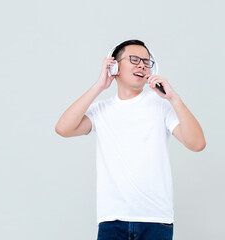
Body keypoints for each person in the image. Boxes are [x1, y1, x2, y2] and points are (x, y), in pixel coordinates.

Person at [55, 39, 206, 240]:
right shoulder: (101, 110)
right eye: (134, 59)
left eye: (146, 61)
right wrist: (99, 86)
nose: (142, 65)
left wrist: (173, 98)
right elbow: (63, 128)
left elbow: (197, 144)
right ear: (114, 66)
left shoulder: (161, 105)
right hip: (112, 221)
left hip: (155, 220)